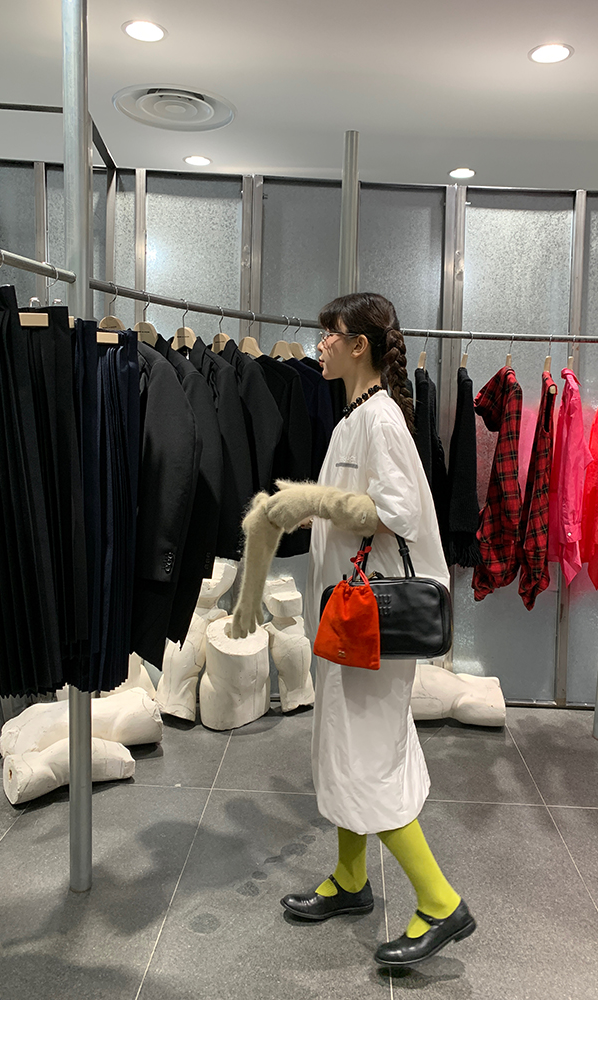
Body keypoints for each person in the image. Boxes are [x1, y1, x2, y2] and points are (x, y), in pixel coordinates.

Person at [232, 292, 475, 967]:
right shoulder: (355, 416)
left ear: (359, 344)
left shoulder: (381, 421)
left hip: (373, 625)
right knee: (343, 745)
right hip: (349, 620)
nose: (320, 345)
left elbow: (395, 511)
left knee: (367, 758)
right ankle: (349, 879)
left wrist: (311, 500)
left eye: (329, 335)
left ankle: (441, 903)